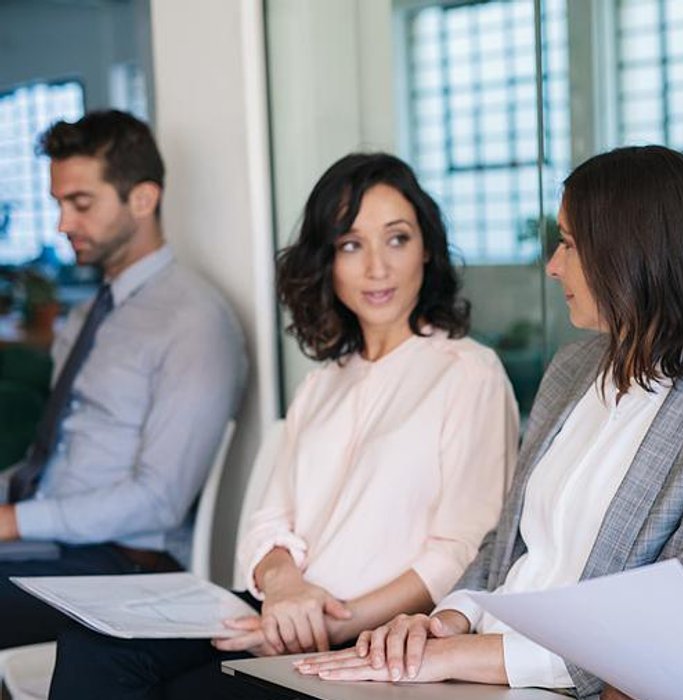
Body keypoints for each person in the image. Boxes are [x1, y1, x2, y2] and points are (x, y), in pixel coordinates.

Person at [295, 145, 683, 698]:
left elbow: (675, 616)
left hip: (548, 684)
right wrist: (439, 624)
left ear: (632, 253)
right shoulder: (575, 367)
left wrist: (459, 655)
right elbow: (504, 545)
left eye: (571, 244)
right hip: (470, 664)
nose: (553, 265)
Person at [47, 152, 519, 699]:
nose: (377, 268)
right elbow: (270, 522)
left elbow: (461, 550)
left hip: (370, 635)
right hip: (281, 610)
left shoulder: (468, 372)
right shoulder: (323, 383)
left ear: (428, 249)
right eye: (350, 245)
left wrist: (334, 623)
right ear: (327, 261)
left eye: (397, 239)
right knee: (97, 646)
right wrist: (284, 586)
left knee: (191, 692)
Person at [0, 110, 246, 648]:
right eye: (59, 204)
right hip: (49, 547)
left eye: (80, 204)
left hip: (119, 567)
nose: (63, 224)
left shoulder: (193, 322)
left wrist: (15, 521)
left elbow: (159, 500)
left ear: (142, 199)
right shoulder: (90, 314)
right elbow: (56, 457)